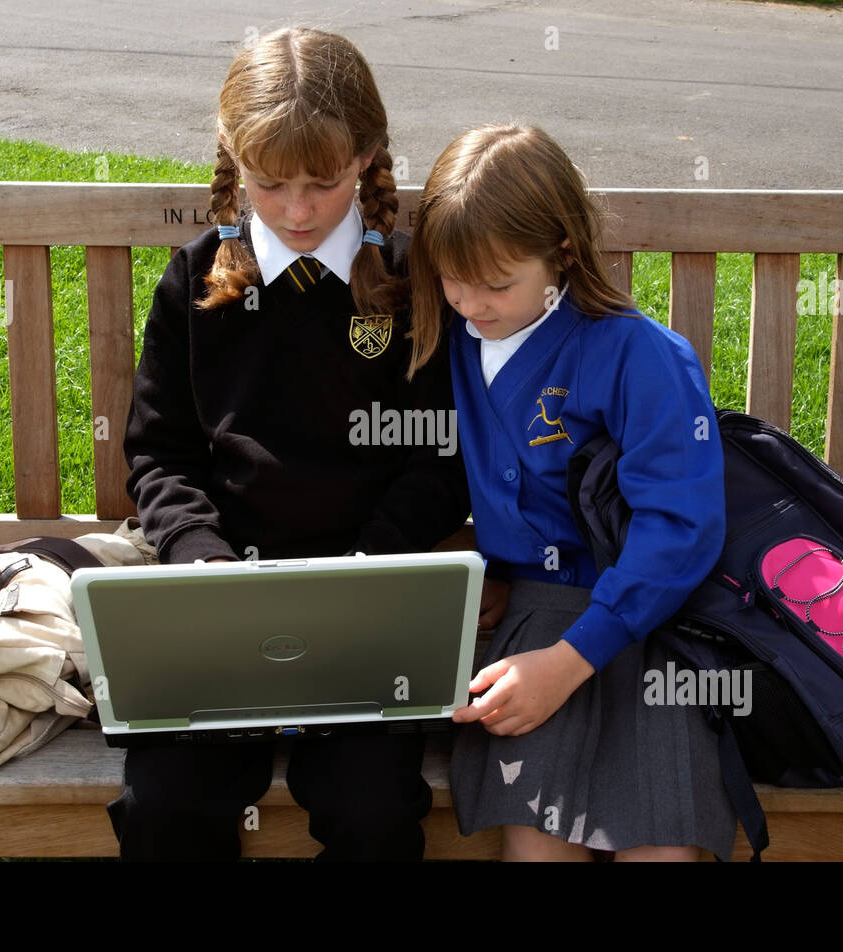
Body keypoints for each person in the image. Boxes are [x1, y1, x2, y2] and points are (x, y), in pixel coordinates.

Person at [109, 27, 470, 861]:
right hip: (219, 601)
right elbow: (160, 453)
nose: (299, 211)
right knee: (165, 802)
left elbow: (441, 455)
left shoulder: (413, 284)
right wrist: (202, 561)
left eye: (324, 183)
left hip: (370, 603)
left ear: (369, 156)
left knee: (373, 808)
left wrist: (370, 562)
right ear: (233, 161)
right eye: (270, 185)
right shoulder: (197, 280)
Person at [407, 124, 737, 861]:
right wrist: (481, 562)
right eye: (451, 279)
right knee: (538, 838)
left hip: (651, 624)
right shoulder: (453, 337)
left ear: (562, 252)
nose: (470, 303)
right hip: (531, 621)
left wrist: (571, 659)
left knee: (660, 842)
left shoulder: (637, 353)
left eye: (497, 283)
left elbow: (680, 527)